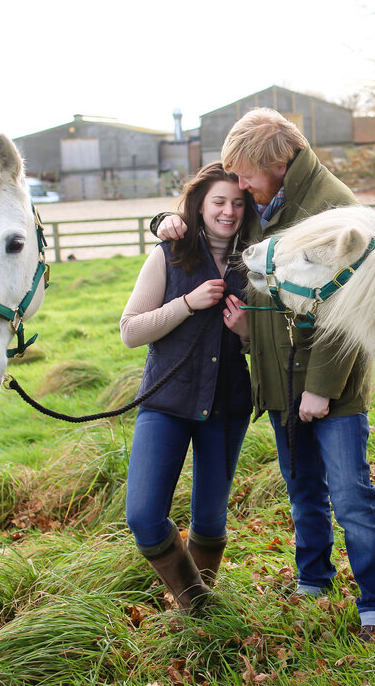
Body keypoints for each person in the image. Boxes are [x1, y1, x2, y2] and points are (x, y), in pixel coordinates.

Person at [156, 108, 375, 639]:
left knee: (350, 493)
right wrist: (167, 221)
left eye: (246, 176)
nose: (240, 191)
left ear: (278, 162)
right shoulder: (264, 205)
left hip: (326, 384)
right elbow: (208, 214)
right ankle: (313, 580)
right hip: (276, 373)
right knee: (302, 487)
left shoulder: (332, 207)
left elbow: (348, 306)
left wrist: (320, 387)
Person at [120, 162, 257, 612]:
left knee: (210, 518)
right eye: (219, 202)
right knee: (143, 515)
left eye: (238, 203)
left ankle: (194, 616)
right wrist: (185, 303)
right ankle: (197, 603)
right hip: (166, 403)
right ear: (199, 206)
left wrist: (245, 332)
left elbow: (268, 343)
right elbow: (131, 331)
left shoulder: (256, 263)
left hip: (228, 406)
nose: (228, 212)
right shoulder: (167, 254)